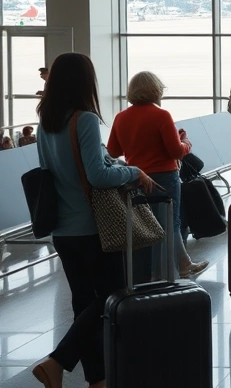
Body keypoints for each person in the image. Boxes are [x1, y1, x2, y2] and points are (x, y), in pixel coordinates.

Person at [31, 53, 158, 388]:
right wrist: (134, 171)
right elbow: (98, 176)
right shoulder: (84, 120)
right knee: (113, 295)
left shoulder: (46, 122)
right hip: (92, 227)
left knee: (84, 304)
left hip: (62, 229)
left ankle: (96, 379)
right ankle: (58, 360)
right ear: (85, 82)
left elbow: (52, 172)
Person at [106, 71, 208, 281]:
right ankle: (179, 267)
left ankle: (155, 269)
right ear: (155, 90)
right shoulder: (162, 116)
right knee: (170, 221)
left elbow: (113, 151)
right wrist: (186, 142)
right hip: (164, 177)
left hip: (136, 178)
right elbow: (176, 152)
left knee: (145, 223)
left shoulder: (121, 117)